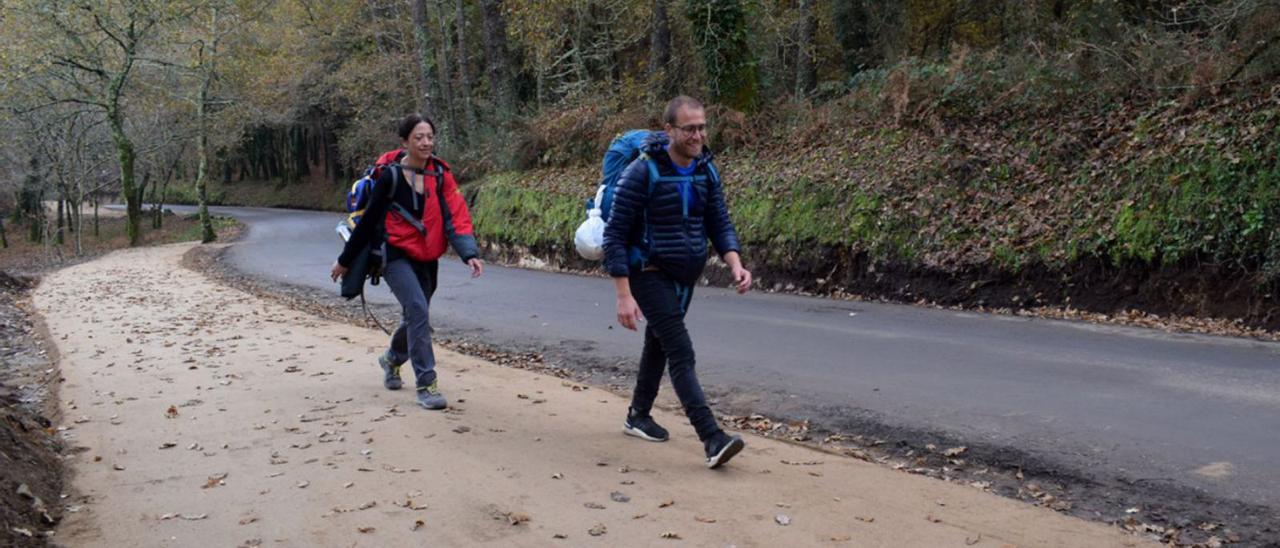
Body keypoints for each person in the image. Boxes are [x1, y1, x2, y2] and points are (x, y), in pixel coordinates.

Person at [603, 96, 753, 469]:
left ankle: (638, 415)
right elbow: (615, 236)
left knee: (658, 344)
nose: (697, 135)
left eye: (701, 127)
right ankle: (712, 437)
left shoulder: (705, 169)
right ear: (668, 129)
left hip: (685, 275)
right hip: (648, 273)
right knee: (681, 352)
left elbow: (718, 221)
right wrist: (623, 294)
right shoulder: (642, 172)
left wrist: (734, 262)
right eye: (689, 128)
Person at [331, 114, 483, 410]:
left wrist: (469, 253)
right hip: (394, 255)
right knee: (417, 309)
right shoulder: (390, 177)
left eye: (429, 136)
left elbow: (455, 216)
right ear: (405, 142)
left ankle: (390, 359)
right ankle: (427, 384)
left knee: (416, 314)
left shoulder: (440, 175)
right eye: (419, 137)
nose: (426, 142)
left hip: (427, 256)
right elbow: (367, 223)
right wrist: (344, 262)